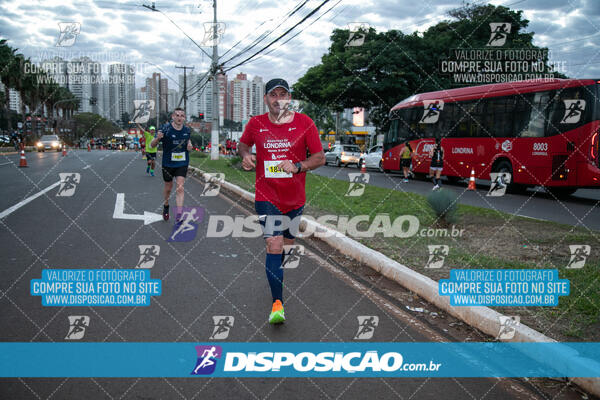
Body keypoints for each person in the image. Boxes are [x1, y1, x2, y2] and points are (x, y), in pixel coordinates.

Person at [238, 78, 325, 324]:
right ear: (266, 99)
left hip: (294, 197)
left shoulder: (305, 123)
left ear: (289, 98)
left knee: (286, 245)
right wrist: (246, 156)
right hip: (267, 195)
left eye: (282, 94)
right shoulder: (256, 123)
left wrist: (298, 166)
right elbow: (243, 145)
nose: (278, 99)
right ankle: (278, 303)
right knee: (274, 245)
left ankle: (278, 269)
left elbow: (319, 158)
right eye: (273, 95)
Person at [151, 108, 193, 222]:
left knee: (180, 187)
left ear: (184, 118)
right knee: (168, 188)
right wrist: (158, 138)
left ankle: (179, 214)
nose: (179, 118)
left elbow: (188, 143)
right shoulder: (165, 129)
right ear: (173, 117)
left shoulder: (187, 130)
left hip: (182, 163)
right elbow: (152, 145)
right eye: (177, 115)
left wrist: (190, 146)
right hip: (168, 163)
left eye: (182, 116)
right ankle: (166, 205)